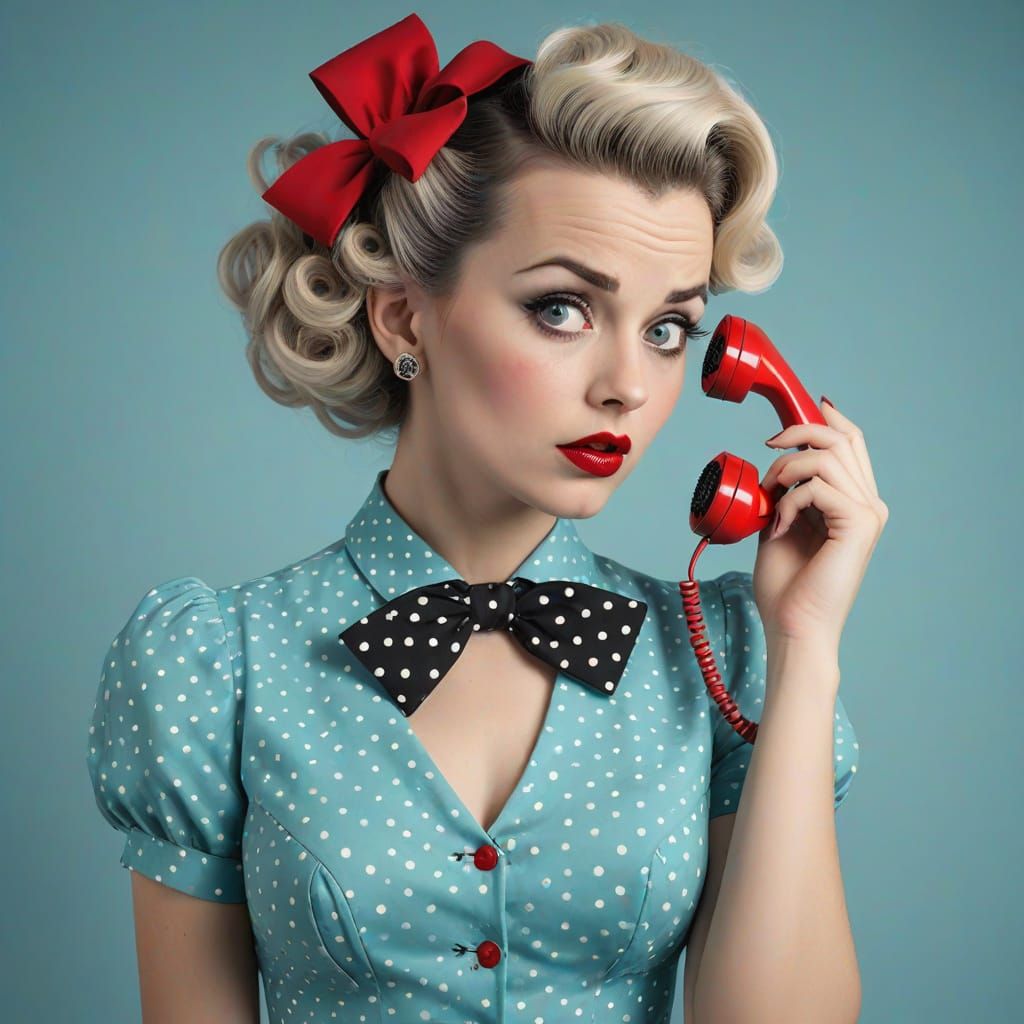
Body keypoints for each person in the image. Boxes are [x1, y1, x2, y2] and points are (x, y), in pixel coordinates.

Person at [86, 13, 886, 1023]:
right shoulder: (215, 665)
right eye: (561, 307)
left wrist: (804, 645)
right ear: (403, 314)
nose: (626, 387)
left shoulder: (722, 656)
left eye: (668, 327)